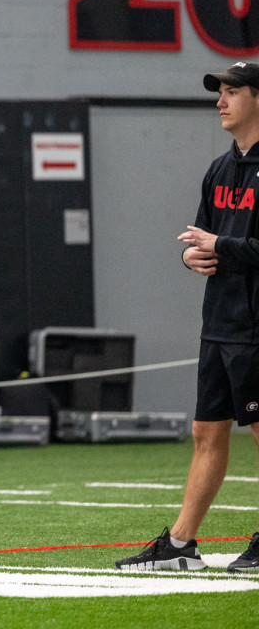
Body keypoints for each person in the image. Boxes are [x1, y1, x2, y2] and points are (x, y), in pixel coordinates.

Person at [115, 60, 259, 573]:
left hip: (257, 327)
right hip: (219, 323)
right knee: (207, 432)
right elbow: (203, 236)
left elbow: (234, 242)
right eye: (219, 92)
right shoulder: (219, 169)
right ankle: (181, 544)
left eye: (233, 92)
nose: (221, 101)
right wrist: (190, 256)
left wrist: (222, 244)